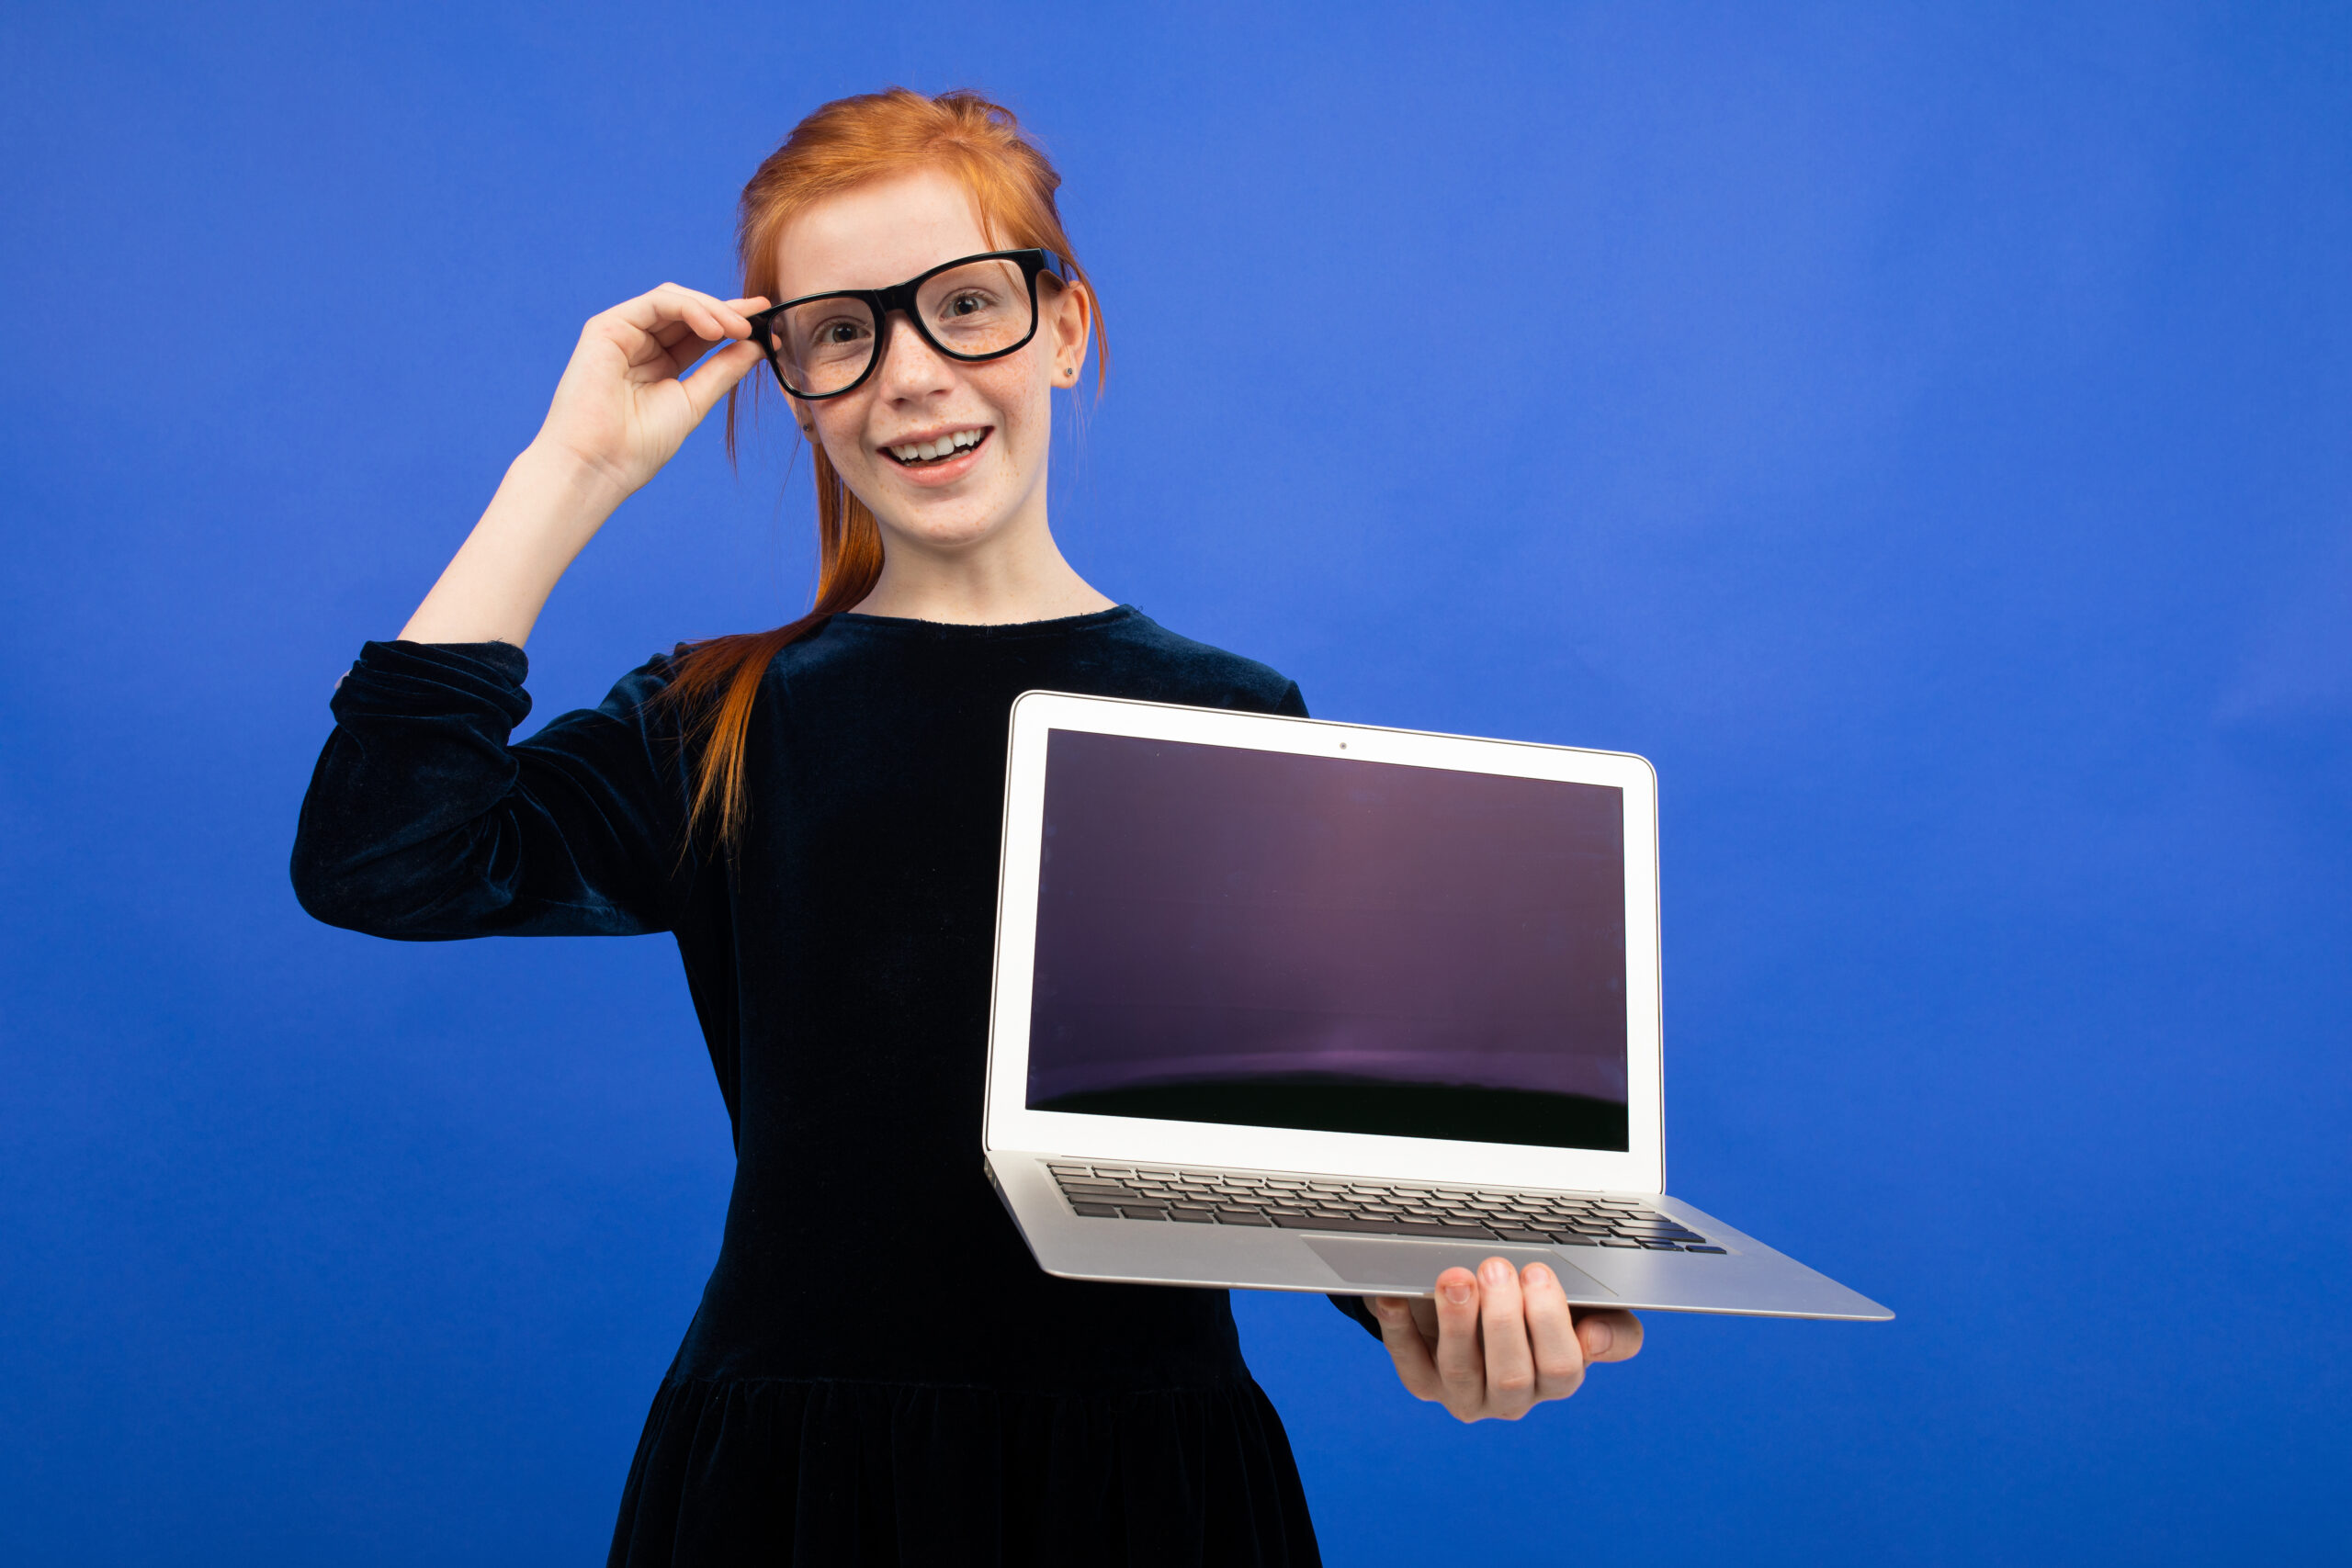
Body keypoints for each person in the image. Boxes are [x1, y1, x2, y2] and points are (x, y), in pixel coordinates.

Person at [291, 86, 1641, 1567]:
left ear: (1065, 328)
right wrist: (571, 472)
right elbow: (382, 856)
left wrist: (1426, 1308)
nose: (911, 377)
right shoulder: (719, 718)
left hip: (1151, 1484)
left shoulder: (1231, 712)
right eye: (840, 332)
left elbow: (1282, 1134)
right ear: (790, 382)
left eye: (966, 307)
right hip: (789, 1487)